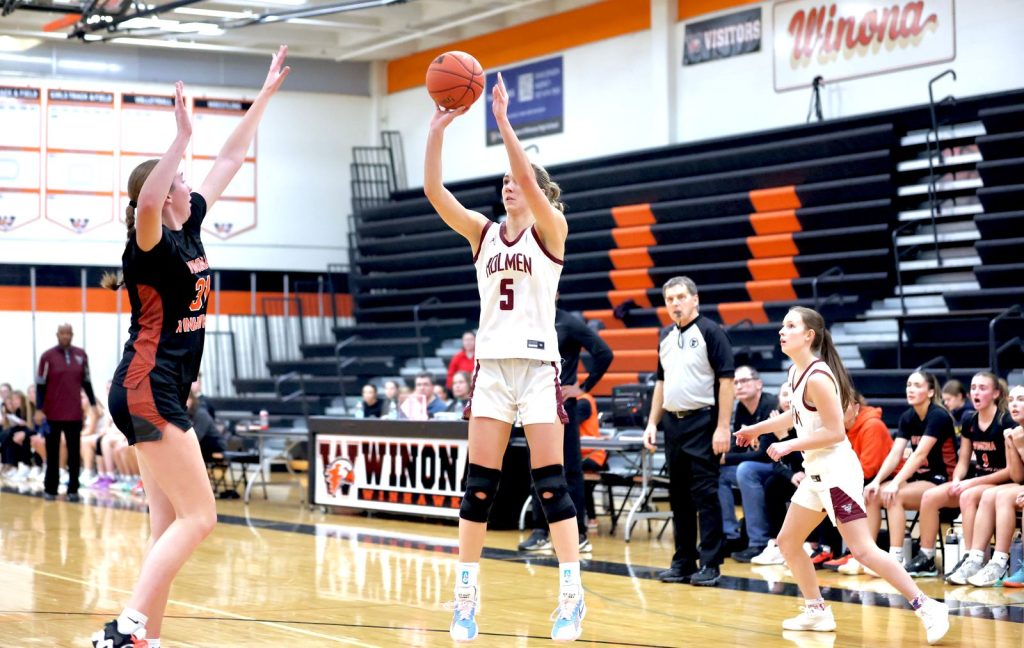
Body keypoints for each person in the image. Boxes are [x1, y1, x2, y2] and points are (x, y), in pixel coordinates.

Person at [92, 48, 289, 648]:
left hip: (159, 387)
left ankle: (145, 634)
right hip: (147, 387)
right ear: (164, 187)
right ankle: (125, 627)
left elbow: (230, 156)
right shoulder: (149, 242)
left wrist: (263, 96)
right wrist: (179, 136)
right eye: (181, 175)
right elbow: (148, 199)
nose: (188, 180)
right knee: (202, 517)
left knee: (169, 519)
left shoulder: (192, 224)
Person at [425, 72, 583, 642]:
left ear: (536, 190)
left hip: (539, 371)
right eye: (506, 181)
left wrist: (504, 124)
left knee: (551, 486)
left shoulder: (552, 231)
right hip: (491, 371)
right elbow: (434, 192)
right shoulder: (483, 234)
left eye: (518, 181)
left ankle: (572, 595)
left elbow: (526, 177)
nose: (508, 186)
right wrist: (438, 129)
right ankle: (465, 599)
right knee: (478, 489)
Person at [735, 307, 949, 644]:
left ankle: (927, 606)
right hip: (816, 472)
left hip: (836, 473)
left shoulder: (819, 377)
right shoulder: (796, 372)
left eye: (790, 325)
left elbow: (836, 432)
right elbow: (793, 416)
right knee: (789, 542)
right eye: (782, 324)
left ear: (809, 336)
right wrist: (755, 430)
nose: (782, 330)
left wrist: (789, 446)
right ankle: (817, 611)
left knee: (862, 550)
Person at [643, 276, 735, 587]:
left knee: (705, 495)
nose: (675, 304)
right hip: (672, 423)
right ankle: (683, 561)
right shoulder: (665, 336)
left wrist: (723, 427)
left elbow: (726, 382)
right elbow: (661, 383)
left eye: (681, 297)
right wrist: (652, 423)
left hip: (703, 421)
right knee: (678, 496)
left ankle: (710, 563)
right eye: (670, 299)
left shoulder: (711, 332)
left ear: (694, 299)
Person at [519, 305, 613, 553]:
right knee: (538, 469)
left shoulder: (569, 323)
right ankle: (540, 531)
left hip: (562, 405)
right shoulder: (526, 320)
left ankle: (578, 534)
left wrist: (584, 387)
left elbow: (604, 353)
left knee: (571, 470)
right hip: (533, 405)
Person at [904, 371, 1014, 580]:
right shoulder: (968, 419)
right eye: (973, 388)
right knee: (930, 496)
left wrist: (970, 482)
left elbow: (1011, 471)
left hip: (1001, 482)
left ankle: (973, 556)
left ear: (996, 393)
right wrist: (956, 479)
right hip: (975, 481)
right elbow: (963, 461)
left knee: (967, 495)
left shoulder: (1005, 421)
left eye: (982, 388)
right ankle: (927, 556)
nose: (976, 392)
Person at [863, 371, 957, 573]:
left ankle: (895, 558)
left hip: (943, 480)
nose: (910, 389)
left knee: (895, 494)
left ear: (930, 392)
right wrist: (876, 481)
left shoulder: (938, 416)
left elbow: (920, 453)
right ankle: (868, 555)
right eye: (908, 385)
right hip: (919, 480)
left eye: (916, 385)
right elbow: (895, 454)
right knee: (871, 494)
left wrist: (896, 482)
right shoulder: (908, 417)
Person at [962, 384, 1024, 587]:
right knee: (990, 495)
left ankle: (1005, 563)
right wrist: (1011, 446)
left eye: (1021, 400)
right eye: (1012, 400)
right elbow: (1017, 476)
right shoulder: (1013, 433)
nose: (1015, 404)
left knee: (1005, 496)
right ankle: (978, 559)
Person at [721, 365, 779, 562]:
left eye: (744, 381)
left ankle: (758, 542)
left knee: (746, 470)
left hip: (779, 465)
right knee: (718, 472)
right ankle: (731, 535)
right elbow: (738, 446)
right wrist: (722, 455)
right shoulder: (742, 409)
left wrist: (727, 458)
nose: (739, 386)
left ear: (759, 384)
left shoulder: (771, 404)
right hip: (759, 464)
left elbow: (764, 454)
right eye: (735, 382)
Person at [36, 323, 99, 502]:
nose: (65, 336)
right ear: (57, 334)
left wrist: (93, 403)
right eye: (62, 333)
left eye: (68, 333)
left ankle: (73, 489)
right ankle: (50, 488)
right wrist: (39, 409)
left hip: (74, 414)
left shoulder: (81, 355)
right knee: (53, 452)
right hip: (53, 414)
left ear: (72, 335)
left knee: (73, 453)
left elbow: (87, 381)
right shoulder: (47, 357)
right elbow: (40, 385)